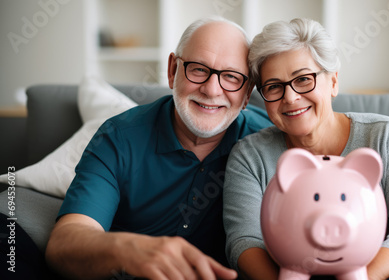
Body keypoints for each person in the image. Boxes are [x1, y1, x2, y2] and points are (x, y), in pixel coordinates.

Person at [223, 18, 389, 280]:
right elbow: (244, 241)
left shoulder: (386, 136)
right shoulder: (249, 156)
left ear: (333, 82)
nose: (291, 97)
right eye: (274, 87)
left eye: (304, 79)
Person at [45, 17, 272, 280]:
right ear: (173, 70)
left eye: (231, 77)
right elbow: (64, 242)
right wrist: (128, 249)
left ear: (247, 93)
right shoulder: (118, 138)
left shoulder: (266, 140)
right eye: (198, 69)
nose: (211, 89)